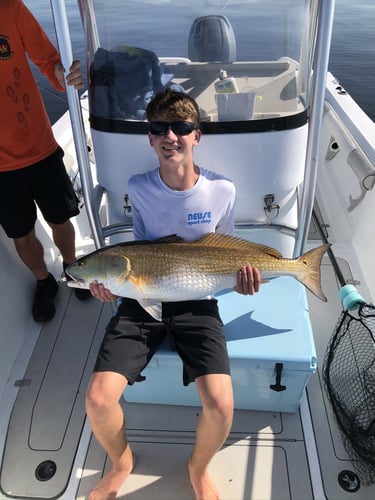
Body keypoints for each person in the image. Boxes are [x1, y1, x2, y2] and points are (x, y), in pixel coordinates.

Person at [87, 89, 261, 500]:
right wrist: (111, 287)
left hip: (199, 300)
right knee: (97, 400)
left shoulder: (223, 190)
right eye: (159, 128)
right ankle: (121, 462)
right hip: (142, 300)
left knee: (221, 406)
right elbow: (143, 248)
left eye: (181, 127)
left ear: (196, 136)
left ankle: (198, 469)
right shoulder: (138, 186)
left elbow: (225, 247)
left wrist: (241, 278)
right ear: (149, 137)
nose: (171, 136)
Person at [0, 0, 91, 323]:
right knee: (20, 235)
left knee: (60, 220)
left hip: (39, 146)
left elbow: (48, 60)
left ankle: (71, 267)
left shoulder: (11, 9)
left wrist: (67, 74)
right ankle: (43, 280)